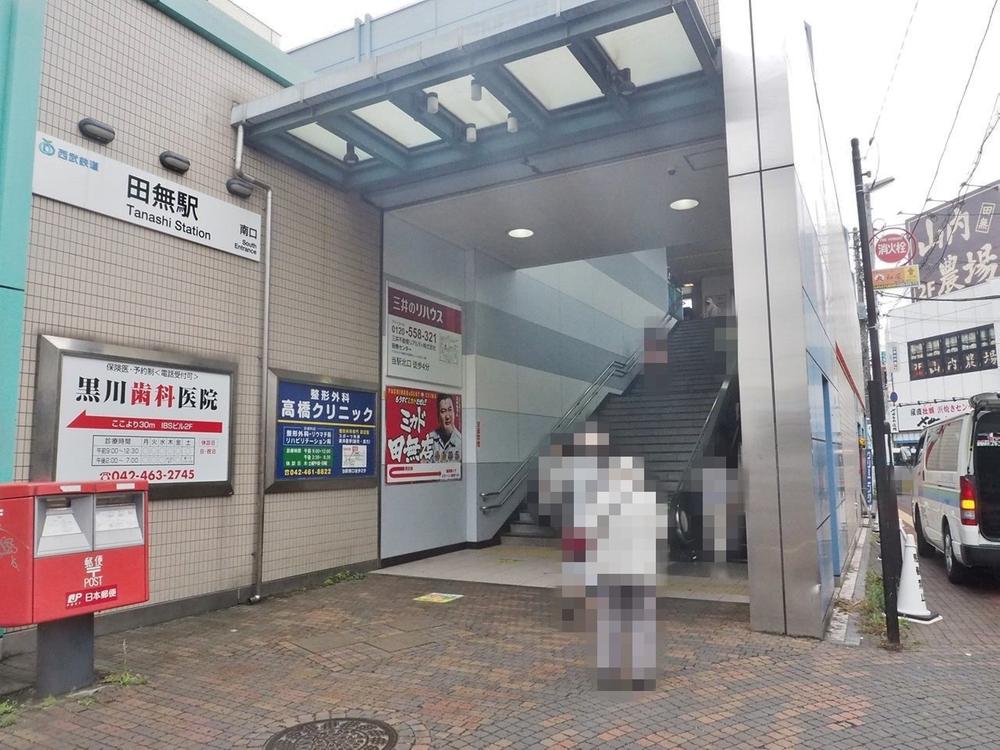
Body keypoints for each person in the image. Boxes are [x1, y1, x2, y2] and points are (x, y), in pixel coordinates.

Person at [432, 393, 462, 463]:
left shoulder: (461, 442)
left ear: (454, 412)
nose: (447, 416)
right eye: (443, 411)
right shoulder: (430, 439)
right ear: (438, 415)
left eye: (450, 410)